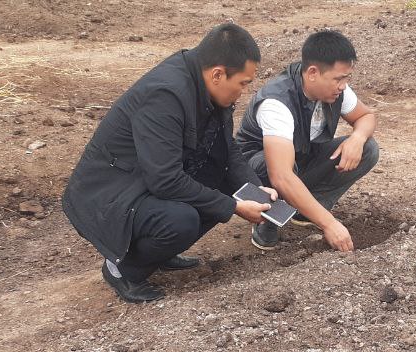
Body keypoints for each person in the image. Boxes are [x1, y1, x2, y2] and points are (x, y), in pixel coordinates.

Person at [62, 23, 278, 303]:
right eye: (243, 83)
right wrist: (234, 206)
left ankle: (159, 253)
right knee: (182, 220)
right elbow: (164, 180)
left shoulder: (205, 83)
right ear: (217, 74)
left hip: (145, 179)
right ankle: (123, 269)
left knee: (223, 182)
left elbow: (227, 151)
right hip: (108, 194)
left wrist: (254, 188)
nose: (244, 92)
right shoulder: (166, 95)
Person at [235, 30, 379, 252]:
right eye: (338, 79)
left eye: (346, 78)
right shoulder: (277, 102)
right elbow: (280, 176)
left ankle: (308, 210)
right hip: (257, 173)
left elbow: (366, 116)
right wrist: (330, 224)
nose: (343, 85)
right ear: (312, 73)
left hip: (300, 156)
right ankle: (268, 219)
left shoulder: (336, 90)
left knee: (368, 148)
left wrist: (357, 138)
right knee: (280, 167)